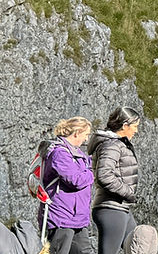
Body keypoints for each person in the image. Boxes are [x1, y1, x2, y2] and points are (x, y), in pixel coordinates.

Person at [89, 107, 141, 254]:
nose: (136, 131)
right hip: (111, 209)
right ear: (125, 126)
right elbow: (104, 175)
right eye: (135, 126)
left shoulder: (117, 144)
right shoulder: (112, 145)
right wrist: (128, 193)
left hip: (119, 208)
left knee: (138, 247)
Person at [40, 117, 95, 254]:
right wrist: (92, 172)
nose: (86, 139)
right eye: (85, 134)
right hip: (61, 217)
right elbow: (75, 180)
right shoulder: (59, 153)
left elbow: (86, 166)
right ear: (76, 133)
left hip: (77, 218)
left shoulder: (75, 153)